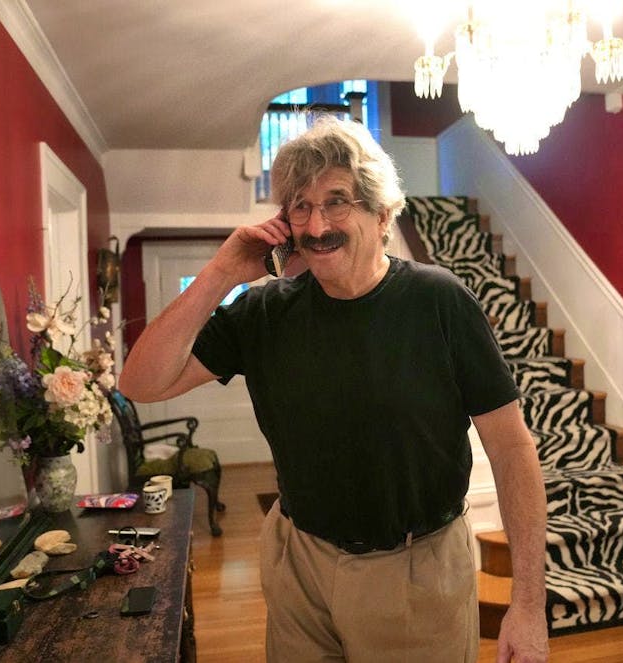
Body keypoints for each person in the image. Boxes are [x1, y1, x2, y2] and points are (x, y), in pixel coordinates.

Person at [119, 116, 549, 663]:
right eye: (300, 205)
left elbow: (512, 449)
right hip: (298, 563)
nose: (316, 224)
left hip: (415, 575)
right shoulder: (265, 312)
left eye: (337, 201)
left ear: (382, 214)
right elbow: (140, 383)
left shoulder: (439, 303)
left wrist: (529, 605)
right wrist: (224, 272)